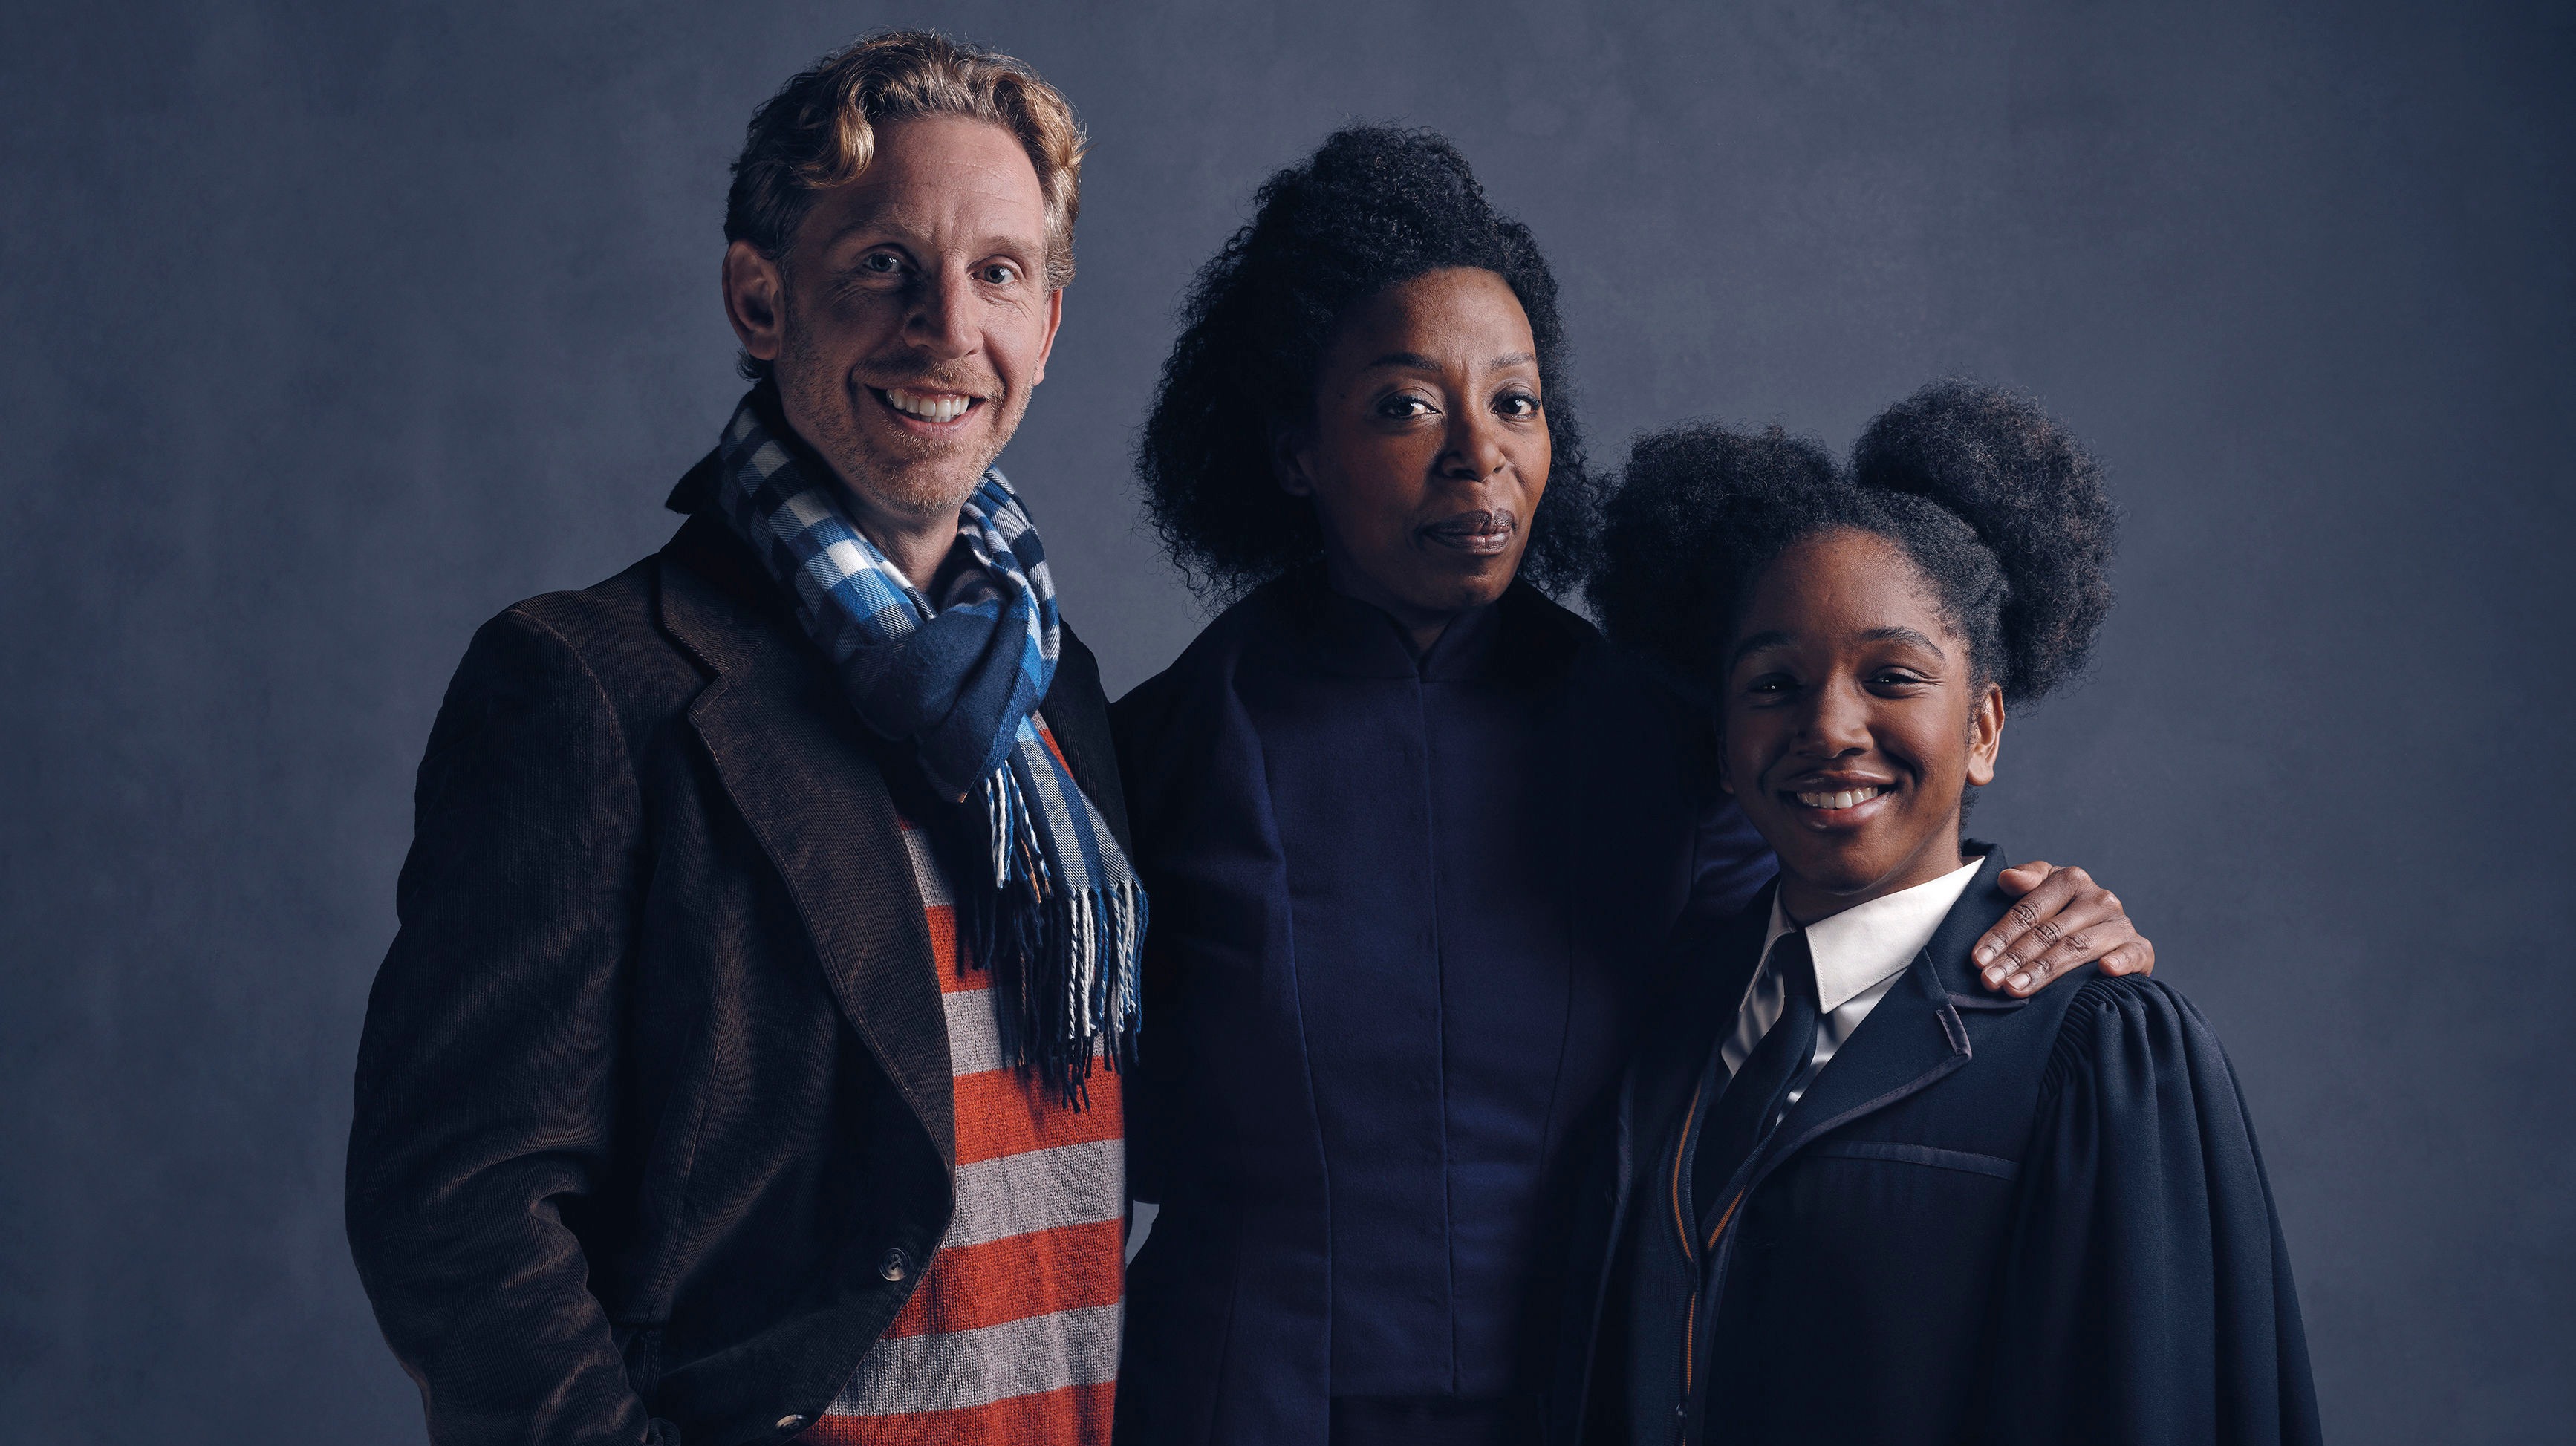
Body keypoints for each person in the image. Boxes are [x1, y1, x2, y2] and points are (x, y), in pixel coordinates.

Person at [1110, 129, 2157, 1446]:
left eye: (1514, 402)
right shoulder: (1157, 749)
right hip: (1229, 1404)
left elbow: (1837, 968)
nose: (1478, 456)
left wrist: (2029, 924)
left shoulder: (1664, 737)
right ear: (1291, 451)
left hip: (1589, 1397)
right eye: (1404, 406)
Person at [345, 33, 1140, 1446]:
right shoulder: (593, 688)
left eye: (999, 273)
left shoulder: (1053, 688)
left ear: (1049, 326)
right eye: (886, 264)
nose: (947, 326)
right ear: (761, 299)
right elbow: (457, 1211)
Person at [1550, 385, 2321, 1445]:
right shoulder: (1674, 1014)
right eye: (1773, 685)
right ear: (1723, 743)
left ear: (1984, 729)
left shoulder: (2095, 1049)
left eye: (1893, 676)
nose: (1830, 726)